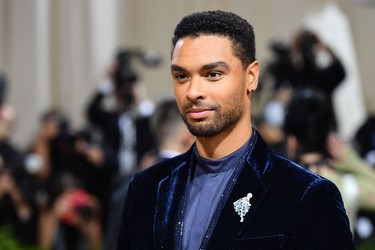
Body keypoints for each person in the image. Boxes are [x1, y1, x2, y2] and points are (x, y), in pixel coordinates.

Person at [116, 10, 354, 249]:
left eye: (213, 74)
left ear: (251, 77)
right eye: (181, 76)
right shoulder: (146, 189)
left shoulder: (305, 194)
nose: (192, 91)